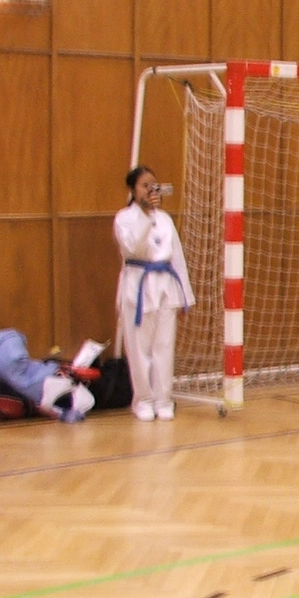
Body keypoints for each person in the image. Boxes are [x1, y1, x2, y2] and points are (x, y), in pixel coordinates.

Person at [114, 167, 193, 422]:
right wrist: (146, 217)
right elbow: (133, 248)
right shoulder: (124, 218)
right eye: (145, 186)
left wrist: (185, 297)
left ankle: (164, 400)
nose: (151, 190)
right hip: (138, 286)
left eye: (153, 185)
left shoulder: (166, 219)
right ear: (133, 190)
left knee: (164, 347)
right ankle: (144, 400)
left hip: (165, 287)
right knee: (139, 350)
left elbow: (177, 257)